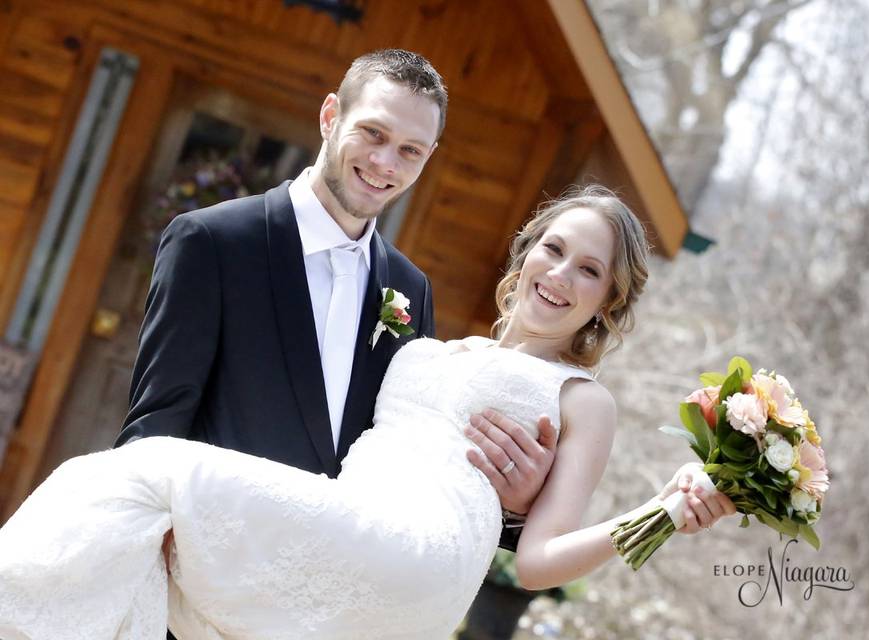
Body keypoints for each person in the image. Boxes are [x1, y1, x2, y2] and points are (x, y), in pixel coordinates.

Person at [0, 186, 736, 639]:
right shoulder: (438, 341)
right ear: (526, 252)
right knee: (136, 537)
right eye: (555, 248)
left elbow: (539, 561)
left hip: (423, 550)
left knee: (147, 472)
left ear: (609, 299)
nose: (561, 275)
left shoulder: (582, 398)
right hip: (349, 514)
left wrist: (662, 514)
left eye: (590, 270)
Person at [115, 49, 556, 548]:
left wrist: (514, 508)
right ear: (330, 116)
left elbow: (412, 455)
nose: (385, 163)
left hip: (326, 585)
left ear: (428, 157)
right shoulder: (213, 242)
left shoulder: (411, 289)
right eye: (374, 133)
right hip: (202, 557)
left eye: (410, 150)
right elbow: (155, 425)